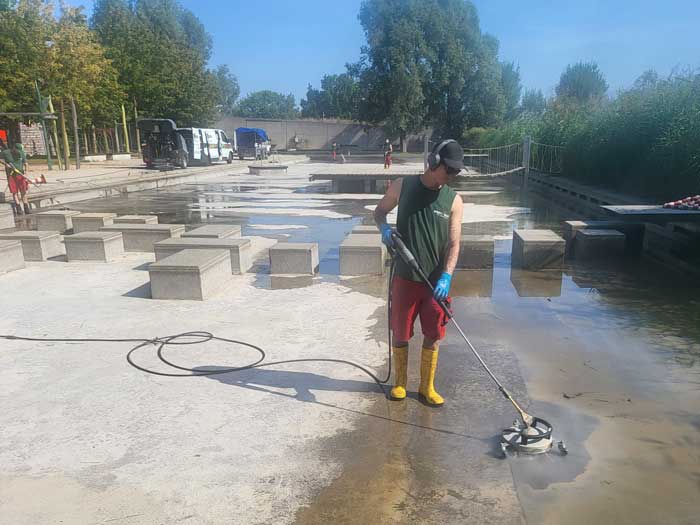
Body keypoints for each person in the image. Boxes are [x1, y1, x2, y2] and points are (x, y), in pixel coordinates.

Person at [374, 139, 465, 406]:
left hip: (435, 283)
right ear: (434, 162)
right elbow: (379, 213)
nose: (451, 177)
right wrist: (385, 229)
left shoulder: (454, 200)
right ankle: (400, 383)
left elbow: (454, 243)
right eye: (449, 170)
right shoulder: (403, 186)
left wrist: (447, 275)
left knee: (434, 333)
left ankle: (427, 387)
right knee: (401, 332)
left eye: (456, 173)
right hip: (405, 277)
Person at [2, 142, 31, 215]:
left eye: (20, 151)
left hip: (21, 174)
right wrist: (6, 164)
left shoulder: (21, 153)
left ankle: (26, 207)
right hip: (11, 175)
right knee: (14, 192)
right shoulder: (6, 153)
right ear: (13, 148)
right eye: (17, 150)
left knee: (23, 191)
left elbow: (26, 164)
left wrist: (26, 174)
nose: (18, 152)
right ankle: (18, 208)